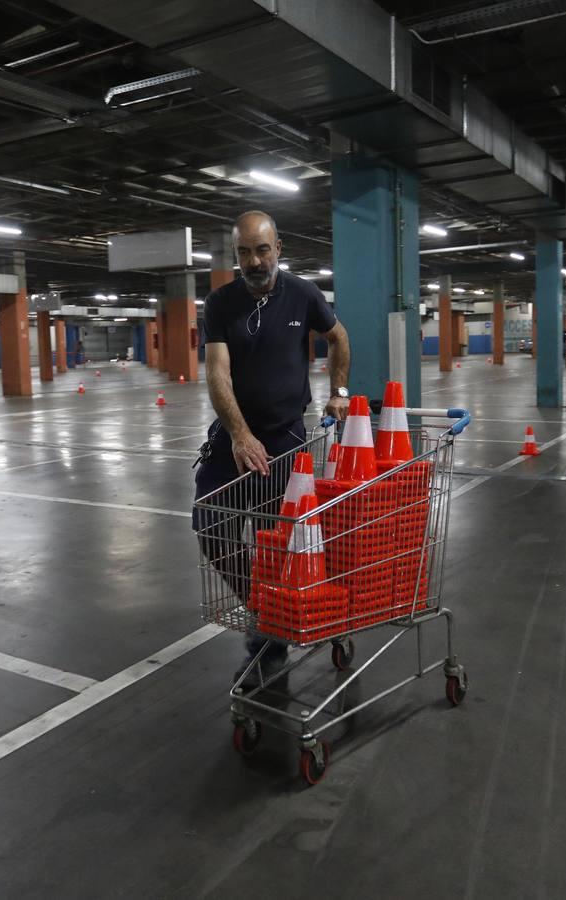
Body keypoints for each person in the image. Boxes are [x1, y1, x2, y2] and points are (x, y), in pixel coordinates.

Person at [192, 210, 351, 689]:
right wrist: (239, 434)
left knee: (271, 539)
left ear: (278, 248)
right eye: (244, 252)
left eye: (262, 250)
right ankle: (264, 609)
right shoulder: (220, 302)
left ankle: (271, 639)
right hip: (233, 436)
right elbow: (218, 373)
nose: (254, 261)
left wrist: (339, 391)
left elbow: (338, 339)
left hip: (284, 438)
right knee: (211, 524)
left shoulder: (303, 293)